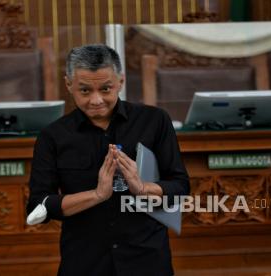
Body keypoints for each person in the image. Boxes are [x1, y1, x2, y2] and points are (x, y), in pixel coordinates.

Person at [27, 44, 190, 276]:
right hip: (84, 261)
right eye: (85, 91)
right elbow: (38, 205)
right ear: (68, 85)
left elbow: (180, 187)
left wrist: (142, 188)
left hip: (146, 258)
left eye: (106, 89)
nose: (96, 100)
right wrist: (97, 195)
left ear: (120, 82)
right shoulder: (52, 136)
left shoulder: (154, 121)